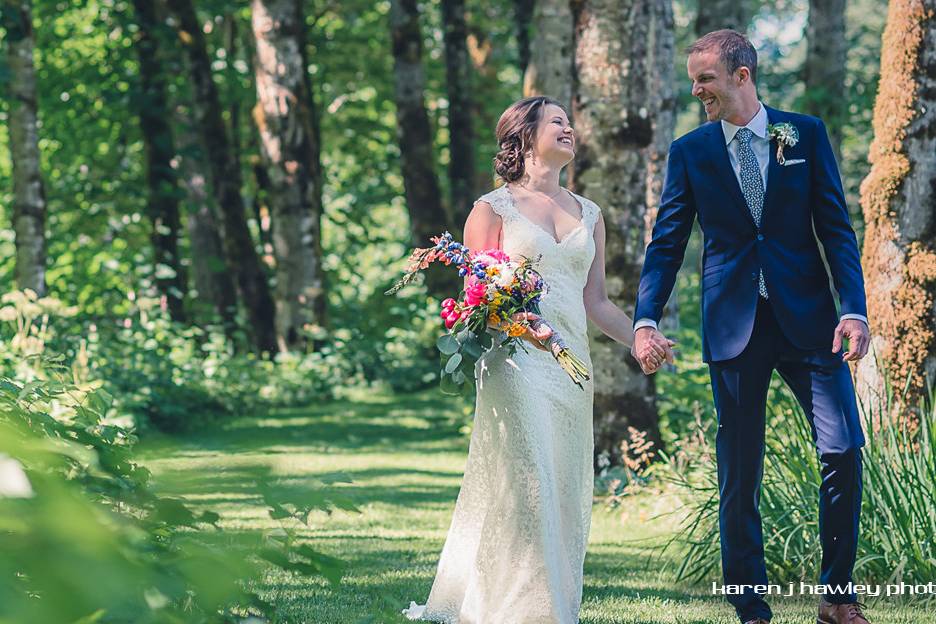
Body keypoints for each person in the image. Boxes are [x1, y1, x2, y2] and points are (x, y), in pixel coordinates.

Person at [632, 30, 871, 624]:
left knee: (843, 448)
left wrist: (854, 307)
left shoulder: (804, 134)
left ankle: (836, 598)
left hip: (812, 322)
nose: (696, 90)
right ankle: (751, 610)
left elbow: (836, 229)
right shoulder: (691, 151)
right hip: (734, 325)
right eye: (693, 79)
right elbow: (667, 245)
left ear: (742, 75)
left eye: (706, 78)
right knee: (740, 471)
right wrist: (644, 319)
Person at [403, 96, 661, 623]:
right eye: (557, 122)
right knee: (527, 474)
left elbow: (596, 302)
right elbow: (476, 296)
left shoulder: (590, 214)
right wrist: (520, 322)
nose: (570, 128)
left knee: (562, 478)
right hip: (514, 362)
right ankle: (528, 610)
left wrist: (638, 337)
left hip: (572, 367)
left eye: (570, 121)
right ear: (524, 138)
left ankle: (549, 599)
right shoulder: (491, 208)